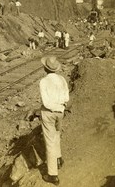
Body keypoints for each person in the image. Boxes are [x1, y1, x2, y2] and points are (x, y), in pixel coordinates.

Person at [39, 56, 70, 185]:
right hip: (60, 112)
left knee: (50, 141)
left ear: (45, 68)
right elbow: (66, 97)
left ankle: (53, 174)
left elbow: (46, 102)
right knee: (57, 134)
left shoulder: (44, 81)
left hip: (49, 112)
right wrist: (60, 107)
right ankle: (58, 158)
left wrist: (53, 108)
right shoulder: (62, 79)